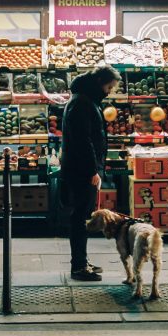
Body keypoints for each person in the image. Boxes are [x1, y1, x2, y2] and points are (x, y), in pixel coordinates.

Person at [61, 65, 121, 281]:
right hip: (81, 170)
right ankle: (78, 267)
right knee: (80, 218)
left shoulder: (84, 100)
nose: (109, 91)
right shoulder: (82, 103)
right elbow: (83, 141)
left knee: (82, 216)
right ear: (99, 83)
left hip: (81, 168)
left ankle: (82, 261)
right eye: (109, 86)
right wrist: (92, 170)